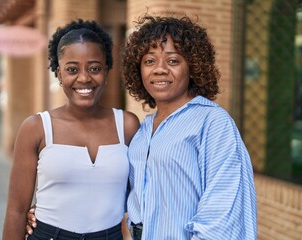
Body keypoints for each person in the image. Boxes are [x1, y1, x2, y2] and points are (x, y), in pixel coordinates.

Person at [26, 14, 258, 240]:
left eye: (173, 60)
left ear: (194, 66)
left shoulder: (212, 122)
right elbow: (113, 188)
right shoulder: (143, 130)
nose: (159, 69)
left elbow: (223, 209)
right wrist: (50, 213)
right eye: (149, 61)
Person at [2, 19, 139, 240]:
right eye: (72, 69)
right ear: (59, 73)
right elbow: (16, 210)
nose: (84, 78)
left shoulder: (127, 125)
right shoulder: (36, 128)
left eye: (94, 68)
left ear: (107, 71)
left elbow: (140, 193)